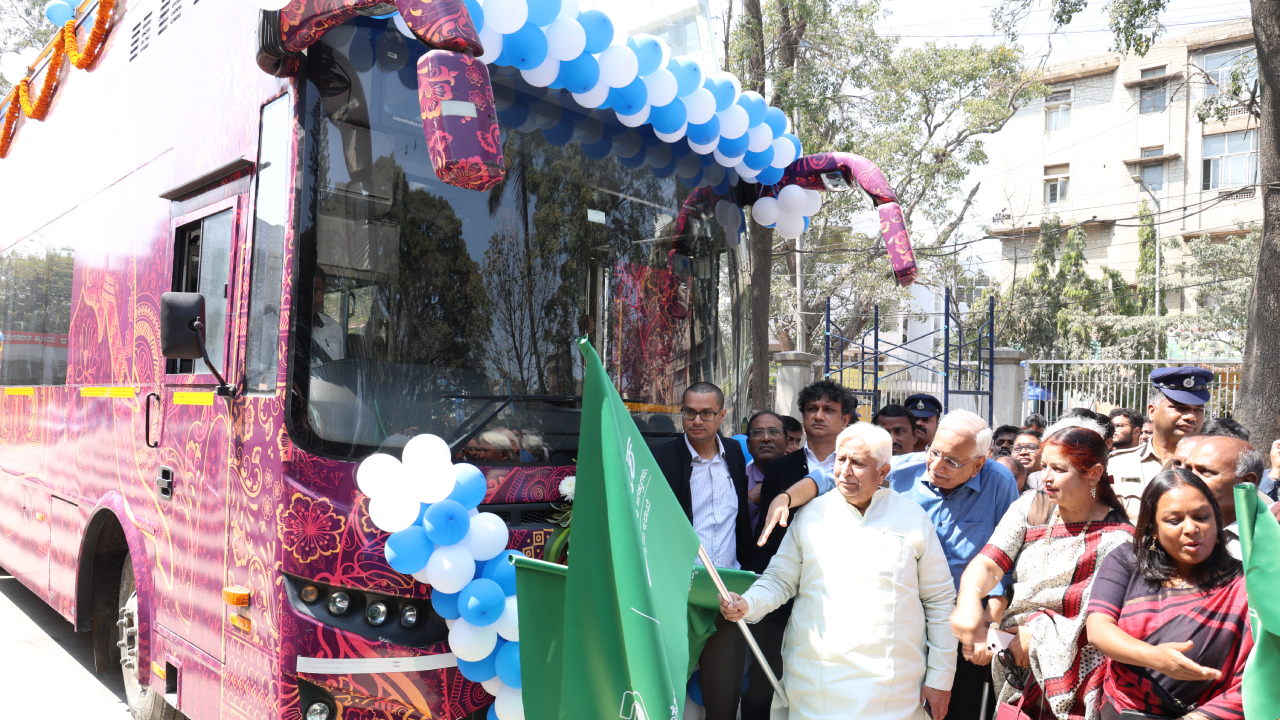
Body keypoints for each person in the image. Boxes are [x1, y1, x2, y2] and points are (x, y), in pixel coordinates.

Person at [763, 410, 1018, 720]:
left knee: (960, 704)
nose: (937, 465)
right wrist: (786, 498)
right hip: (902, 619)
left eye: (952, 461)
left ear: (979, 463)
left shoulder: (999, 482)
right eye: (934, 451)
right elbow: (829, 477)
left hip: (968, 618)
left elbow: (1007, 557)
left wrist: (988, 619)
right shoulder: (900, 469)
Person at [720, 424, 957, 720]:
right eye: (840, 460)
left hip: (891, 688)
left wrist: (940, 679)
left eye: (857, 463)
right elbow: (780, 580)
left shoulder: (912, 518)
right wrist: (749, 604)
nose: (845, 471)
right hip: (817, 683)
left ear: (883, 473)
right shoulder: (811, 514)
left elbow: (939, 601)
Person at [950, 423, 1133, 720]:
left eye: (1059, 469)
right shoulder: (1030, 509)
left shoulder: (1118, 538)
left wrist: (1032, 639)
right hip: (1017, 679)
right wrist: (970, 601)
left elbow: (1098, 630)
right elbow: (988, 563)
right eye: (1044, 465)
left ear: (1095, 473)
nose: (1045, 477)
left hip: (1082, 686)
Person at [1086, 469, 1252, 720]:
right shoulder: (1127, 561)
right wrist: (1155, 657)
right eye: (1174, 520)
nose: (1191, 528)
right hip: (1123, 708)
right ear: (1153, 528)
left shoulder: (1243, 584)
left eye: (1201, 517)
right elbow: (1098, 630)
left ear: (1217, 521)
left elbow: (1261, 670)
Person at [748, 380, 856, 720]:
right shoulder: (780, 468)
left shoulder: (862, 467)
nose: (818, 416)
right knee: (769, 679)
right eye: (812, 409)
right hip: (783, 589)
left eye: (829, 410)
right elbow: (768, 533)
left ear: (846, 420)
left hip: (841, 594)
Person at [651, 382, 755, 720]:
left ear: (722, 415)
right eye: (689, 412)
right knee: (660, 689)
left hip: (727, 593)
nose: (697, 420)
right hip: (677, 593)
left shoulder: (735, 454)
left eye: (707, 413)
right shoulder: (662, 457)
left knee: (723, 695)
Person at [1109, 368, 1211, 520]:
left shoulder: (1213, 468)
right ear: (1152, 411)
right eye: (1180, 407)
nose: (1191, 416)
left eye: (1198, 410)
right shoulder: (1117, 464)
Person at [1183, 436, 1266, 559]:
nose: (1189, 479)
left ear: (1247, 482)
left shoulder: (1270, 539)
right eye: (1188, 469)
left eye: (1205, 472)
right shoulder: (1175, 529)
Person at [744, 412, 788, 547]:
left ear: (787, 441)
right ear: (748, 445)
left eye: (774, 432)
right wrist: (749, 501)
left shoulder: (800, 476)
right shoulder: (735, 479)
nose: (766, 438)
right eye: (757, 433)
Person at [310, 266, 345, 364]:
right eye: (306, 290)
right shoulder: (276, 327)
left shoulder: (334, 329)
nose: (311, 297)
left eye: (316, 291)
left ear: (323, 291)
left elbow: (338, 371)